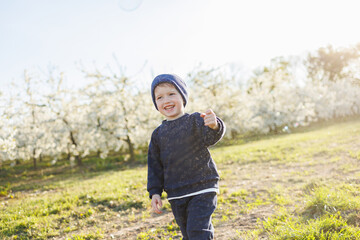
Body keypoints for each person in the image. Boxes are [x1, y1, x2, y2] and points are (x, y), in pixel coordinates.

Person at [147, 73, 226, 239]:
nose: (166, 100)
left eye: (171, 94)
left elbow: (211, 138)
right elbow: (155, 166)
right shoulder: (158, 135)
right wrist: (155, 192)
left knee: (198, 231)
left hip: (203, 187)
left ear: (182, 96)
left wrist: (214, 125)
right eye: (159, 97)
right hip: (177, 194)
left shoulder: (195, 120)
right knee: (188, 234)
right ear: (156, 103)